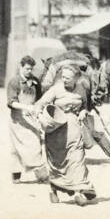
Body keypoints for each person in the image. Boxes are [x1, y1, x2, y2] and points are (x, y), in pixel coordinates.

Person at [25, 66, 96, 205]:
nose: (64, 80)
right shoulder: (56, 89)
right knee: (58, 162)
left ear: (76, 78)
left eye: (68, 78)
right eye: (63, 76)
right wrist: (40, 116)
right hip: (56, 130)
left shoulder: (81, 89)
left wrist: (83, 111)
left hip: (75, 128)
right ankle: (53, 190)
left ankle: (77, 192)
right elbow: (39, 103)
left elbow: (85, 106)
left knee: (77, 158)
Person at [6, 56, 47, 186]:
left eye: (31, 69)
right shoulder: (14, 82)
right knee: (18, 148)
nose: (29, 71)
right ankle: (16, 175)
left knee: (35, 143)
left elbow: (40, 99)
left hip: (32, 118)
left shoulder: (35, 81)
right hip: (18, 119)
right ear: (21, 67)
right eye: (27, 68)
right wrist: (27, 107)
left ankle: (41, 175)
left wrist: (39, 110)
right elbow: (12, 103)